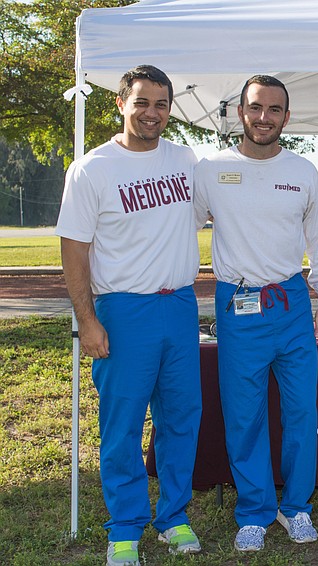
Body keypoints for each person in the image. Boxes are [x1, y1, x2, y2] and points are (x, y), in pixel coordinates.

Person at [56, 65, 202, 565]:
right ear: (120, 103)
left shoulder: (186, 160)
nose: (151, 113)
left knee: (180, 419)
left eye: (161, 104)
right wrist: (87, 319)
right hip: (123, 309)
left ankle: (174, 517)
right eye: (141, 102)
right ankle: (124, 529)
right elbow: (74, 249)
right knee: (122, 426)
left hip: (179, 304)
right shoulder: (92, 169)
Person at [193, 75, 318, 552]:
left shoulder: (303, 171)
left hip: (292, 304)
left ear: (287, 117)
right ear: (240, 112)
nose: (263, 117)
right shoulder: (211, 169)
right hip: (238, 306)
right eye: (255, 107)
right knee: (244, 415)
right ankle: (254, 511)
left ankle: (296, 508)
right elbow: (182, 225)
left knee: (301, 411)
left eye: (274, 110)